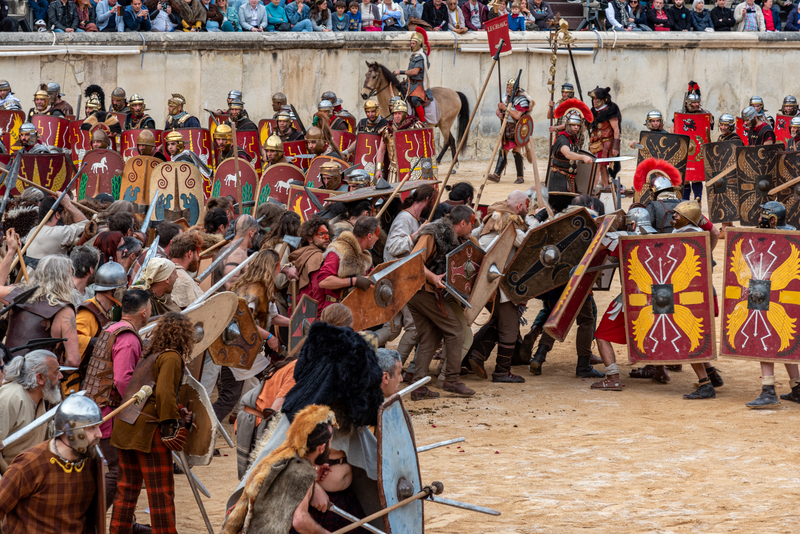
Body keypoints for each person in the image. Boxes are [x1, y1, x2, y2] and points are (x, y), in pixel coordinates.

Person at [110, 312, 195, 534]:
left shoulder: (150, 355)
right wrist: (172, 426)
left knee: (126, 489)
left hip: (125, 427)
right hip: (148, 431)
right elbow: (165, 395)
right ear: (183, 336)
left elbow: (154, 394)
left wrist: (176, 411)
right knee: (161, 493)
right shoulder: (171, 357)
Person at [82, 288, 151, 516]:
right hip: (106, 412)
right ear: (143, 312)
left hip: (96, 407)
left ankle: (123, 523)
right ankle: (94, 521)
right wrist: (138, 406)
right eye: (150, 307)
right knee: (117, 470)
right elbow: (123, 380)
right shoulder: (128, 338)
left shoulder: (111, 327)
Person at [222, 404, 338, 534]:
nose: (330, 445)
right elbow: (299, 520)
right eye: (331, 441)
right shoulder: (302, 472)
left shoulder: (281, 458)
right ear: (321, 447)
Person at [0, 394, 103, 534]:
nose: (100, 434)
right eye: (92, 428)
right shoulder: (29, 463)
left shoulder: (89, 463)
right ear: (72, 430)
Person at [407, 205, 476, 400]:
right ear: (462, 223)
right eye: (471, 224)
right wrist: (433, 278)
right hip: (420, 290)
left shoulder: (461, 238)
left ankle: (418, 386)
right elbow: (413, 261)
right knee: (455, 330)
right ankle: (451, 380)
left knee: (430, 336)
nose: (472, 228)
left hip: (424, 292)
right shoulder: (432, 235)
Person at [737, 202, 798, 407]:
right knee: (784, 339)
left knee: (765, 337)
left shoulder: (774, 239)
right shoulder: (793, 236)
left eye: (762, 216)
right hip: (786, 299)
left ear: (771, 220)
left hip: (770, 297)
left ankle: (768, 390)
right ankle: (798, 388)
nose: (758, 220)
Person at [0, 351, 61, 473]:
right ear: (40, 378)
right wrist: (10, 479)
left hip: (28, 477)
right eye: (56, 372)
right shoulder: (10, 397)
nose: (60, 376)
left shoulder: (39, 397)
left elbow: (42, 435)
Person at [314, 217, 379, 315]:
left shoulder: (364, 255)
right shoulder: (340, 249)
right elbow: (324, 281)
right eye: (376, 235)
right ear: (369, 236)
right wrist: (354, 281)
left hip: (355, 311)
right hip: (336, 312)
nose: (378, 238)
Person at [489, 79, 533, 185]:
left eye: (510, 88)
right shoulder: (505, 97)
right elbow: (499, 110)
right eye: (507, 87)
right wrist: (499, 112)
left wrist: (505, 108)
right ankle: (496, 175)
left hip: (517, 129)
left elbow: (518, 115)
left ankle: (520, 177)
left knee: (516, 151)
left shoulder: (522, 99)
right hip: (506, 128)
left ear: (515, 89)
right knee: (503, 150)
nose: (508, 90)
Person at [24, 195, 89, 264]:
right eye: (63, 213)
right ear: (57, 215)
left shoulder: (33, 231)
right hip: (47, 275)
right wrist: (68, 204)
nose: (64, 217)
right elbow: (86, 224)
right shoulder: (58, 233)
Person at [374, 100, 425, 182]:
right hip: (394, 170)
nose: (397, 116)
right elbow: (381, 150)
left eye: (400, 113)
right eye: (395, 113)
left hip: (411, 169)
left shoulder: (414, 126)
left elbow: (423, 147)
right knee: (394, 194)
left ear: (405, 113)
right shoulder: (387, 129)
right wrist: (379, 169)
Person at [549, 103, 594, 194]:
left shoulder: (572, 140)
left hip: (569, 178)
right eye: (573, 125)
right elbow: (568, 154)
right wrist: (583, 157)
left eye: (578, 125)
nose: (576, 127)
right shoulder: (562, 139)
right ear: (568, 125)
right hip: (559, 179)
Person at [288, 218, 331, 312]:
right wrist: (319, 316)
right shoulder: (317, 256)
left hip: (299, 310)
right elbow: (317, 290)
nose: (327, 237)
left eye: (327, 233)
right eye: (321, 234)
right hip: (311, 313)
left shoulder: (303, 253)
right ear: (310, 239)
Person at [588, 86, 621, 190]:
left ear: (604, 100)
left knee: (596, 166)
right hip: (595, 143)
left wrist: (615, 147)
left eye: (597, 99)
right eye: (593, 99)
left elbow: (616, 130)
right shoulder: (593, 111)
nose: (594, 101)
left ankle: (592, 188)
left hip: (605, 144)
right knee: (601, 166)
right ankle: (606, 186)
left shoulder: (610, 110)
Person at [168, 232, 203, 309]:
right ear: (190, 254)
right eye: (197, 253)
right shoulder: (185, 280)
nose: (198, 258)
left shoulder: (164, 270)